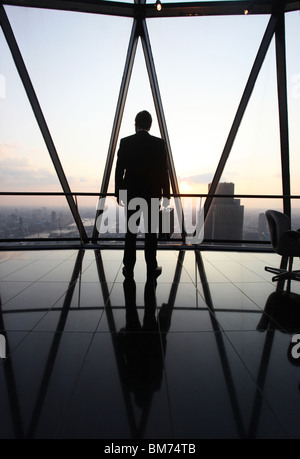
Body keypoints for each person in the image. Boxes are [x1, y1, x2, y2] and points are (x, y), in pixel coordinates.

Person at [115, 110, 170, 279]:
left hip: (132, 194)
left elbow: (119, 171)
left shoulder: (126, 142)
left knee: (131, 233)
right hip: (152, 194)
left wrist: (119, 193)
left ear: (135, 124)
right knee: (151, 234)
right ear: (150, 125)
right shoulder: (159, 144)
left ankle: (128, 267)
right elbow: (164, 172)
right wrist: (166, 195)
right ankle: (151, 267)